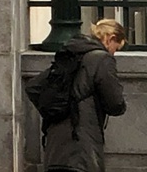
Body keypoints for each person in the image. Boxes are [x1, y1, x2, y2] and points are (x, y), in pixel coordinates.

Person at [29, 18, 127, 172]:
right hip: (82, 144)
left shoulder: (72, 55)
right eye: (117, 48)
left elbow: (34, 86)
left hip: (55, 145)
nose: (114, 53)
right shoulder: (102, 58)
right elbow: (115, 103)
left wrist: (55, 109)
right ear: (111, 39)